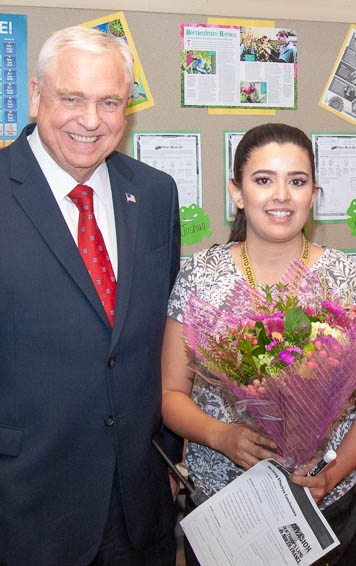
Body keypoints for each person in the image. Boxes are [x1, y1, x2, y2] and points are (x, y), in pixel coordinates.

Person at [162, 123, 356, 566]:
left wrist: (332, 475)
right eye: (264, 179)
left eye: (298, 181)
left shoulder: (345, 279)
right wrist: (223, 435)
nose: (282, 195)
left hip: (329, 508)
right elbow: (172, 394)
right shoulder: (201, 277)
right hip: (227, 510)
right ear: (237, 192)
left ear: (314, 194)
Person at [0, 26, 181, 565]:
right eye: (71, 98)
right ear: (35, 96)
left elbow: (162, 341)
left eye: (110, 102)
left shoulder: (153, 193)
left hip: (140, 505)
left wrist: (168, 459)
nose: (91, 119)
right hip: (23, 508)